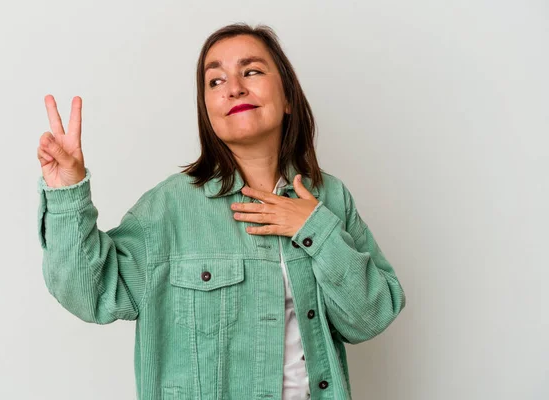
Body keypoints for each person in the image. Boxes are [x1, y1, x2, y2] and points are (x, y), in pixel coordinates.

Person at [36, 23, 406, 400]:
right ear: (207, 111)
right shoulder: (168, 208)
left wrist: (316, 229)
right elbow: (89, 293)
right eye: (215, 81)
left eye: (252, 71)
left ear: (289, 96)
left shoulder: (330, 198)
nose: (234, 88)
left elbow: (369, 318)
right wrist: (67, 191)